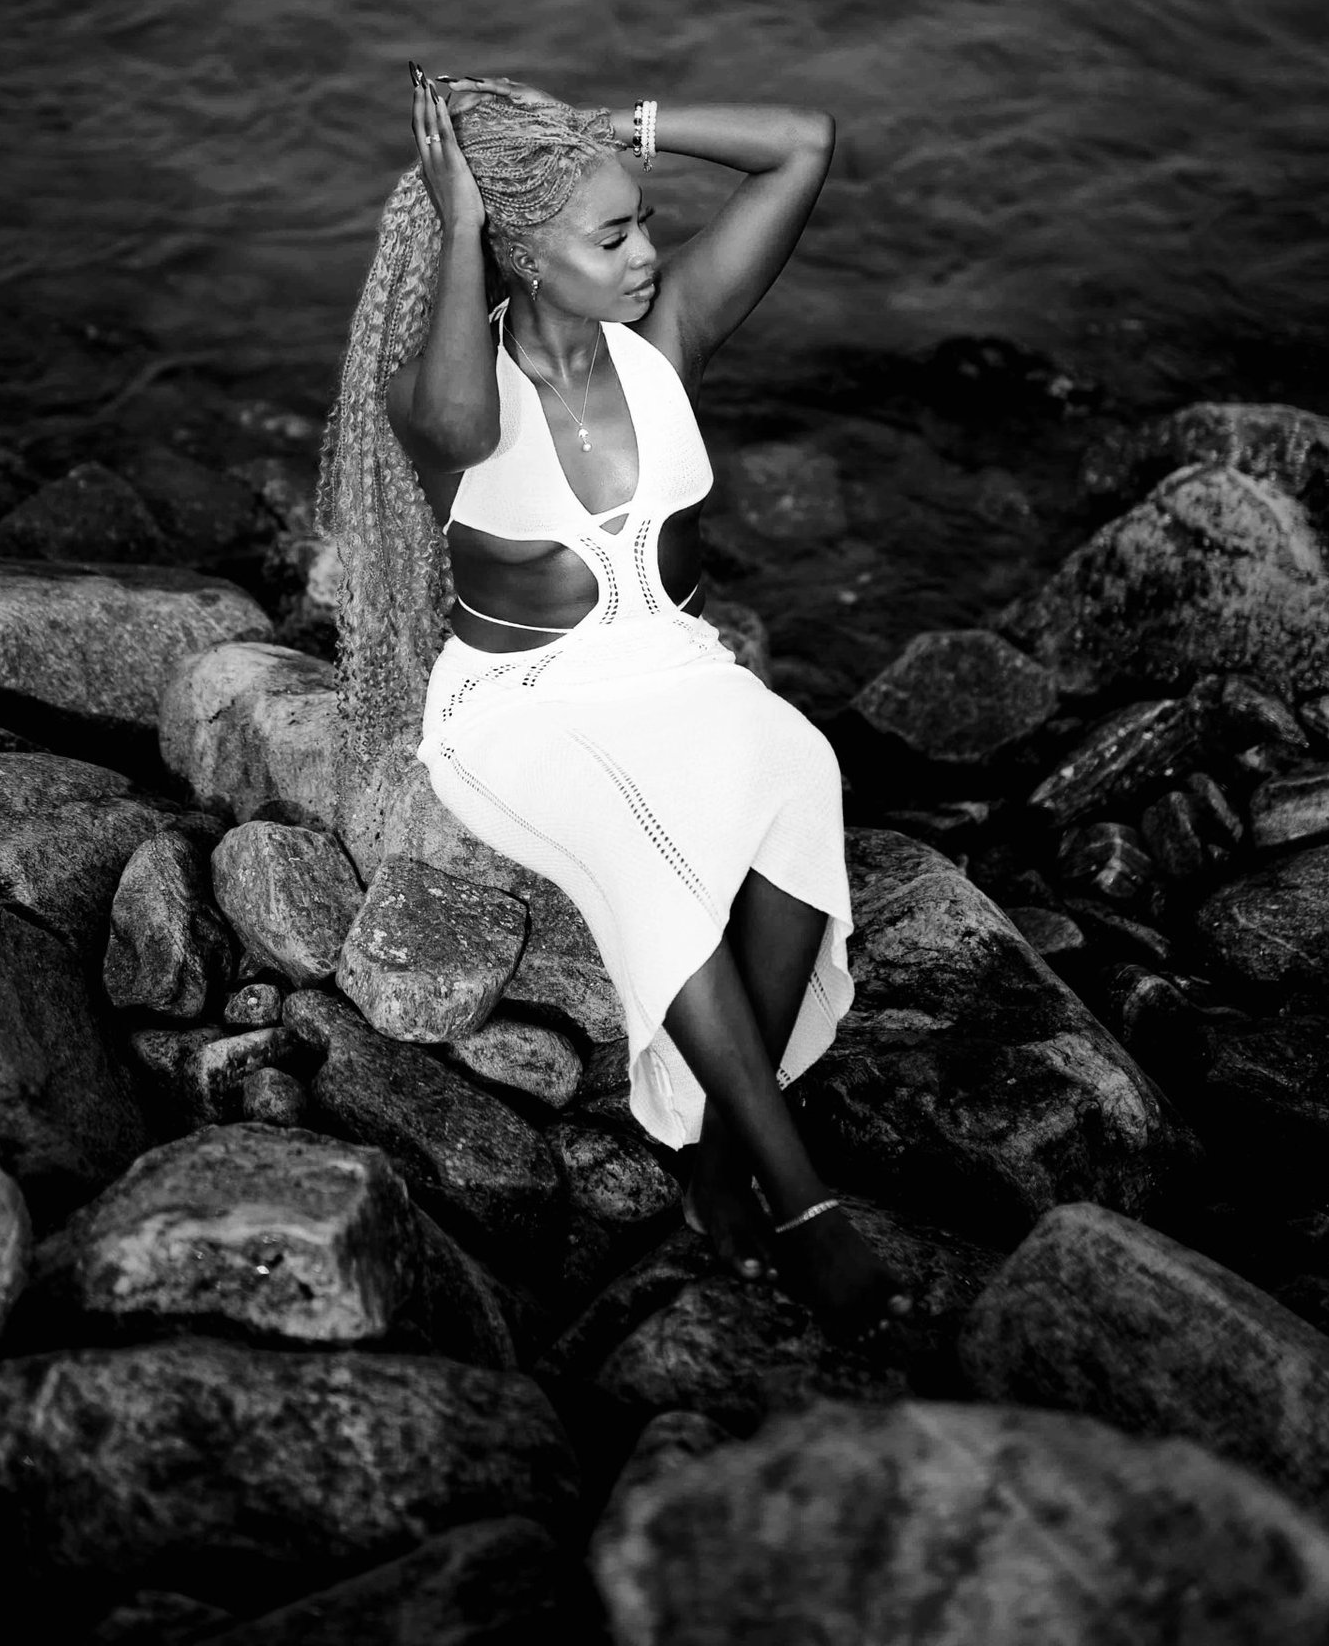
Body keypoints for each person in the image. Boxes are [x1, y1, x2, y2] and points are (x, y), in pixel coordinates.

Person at [317, 65, 913, 1345]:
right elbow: (467, 419)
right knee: (657, 867)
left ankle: (709, 1172)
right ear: (520, 252)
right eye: (611, 234)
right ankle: (801, 1203)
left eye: (642, 221)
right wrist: (464, 215)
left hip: (677, 667)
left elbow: (799, 141)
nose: (648, 252)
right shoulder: (440, 403)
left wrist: (612, 132)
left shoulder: (663, 344)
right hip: (522, 707)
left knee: (799, 770)